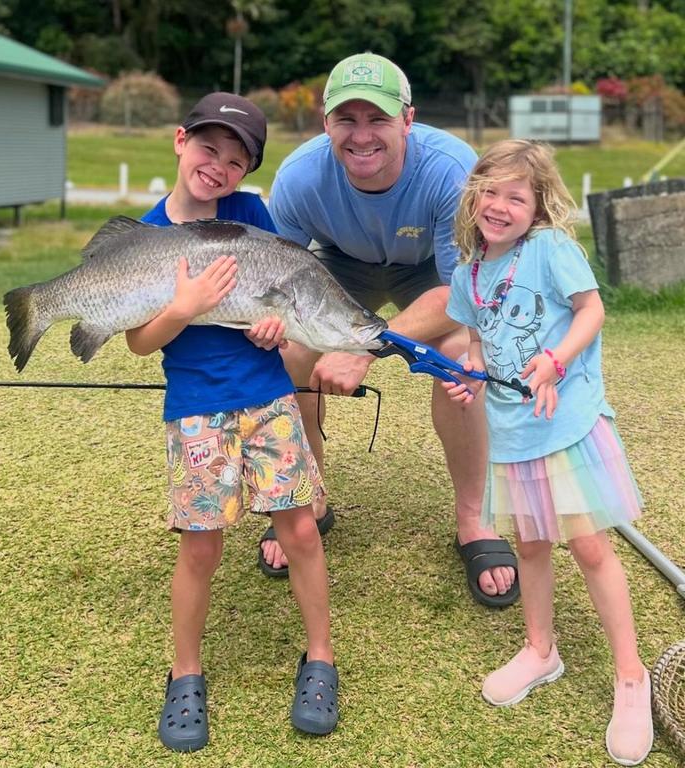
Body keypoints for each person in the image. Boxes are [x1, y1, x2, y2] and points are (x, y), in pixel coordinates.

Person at [265, 52, 519, 607]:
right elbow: (279, 281)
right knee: (288, 354)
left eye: (377, 119)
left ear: (408, 119)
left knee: (458, 359)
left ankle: (473, 520)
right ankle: (307, 497)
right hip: (339, 265)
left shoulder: (452, 170)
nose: (362, 136)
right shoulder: (299, 178)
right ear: (324, 122)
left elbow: (464, 294)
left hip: (430, 272)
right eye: (345, 120)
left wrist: (363, 348)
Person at [126, 93, 339, 752]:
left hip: (269, 397)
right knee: (201, 545)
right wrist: (183, 305)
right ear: (179, 140)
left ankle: (322, 658)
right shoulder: (146, 233)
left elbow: (277, 296)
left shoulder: (251, 214)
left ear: (247, 171)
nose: (216, 167)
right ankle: (185, 672)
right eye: (207, 149)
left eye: (235, 159)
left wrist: (274, 328)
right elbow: (138, 342)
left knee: (300, 527)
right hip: (195, 407)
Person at [443, 139, 653, 766]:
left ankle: (631, 676)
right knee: (531, 544)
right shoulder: (467, 270)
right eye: (492, 190)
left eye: (517, 195)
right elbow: (476, 337)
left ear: (537, 207)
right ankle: (541, 650)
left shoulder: (552, 250)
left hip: (566, 419)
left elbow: (593, 310)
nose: (501, 205)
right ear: (473, 194)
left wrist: (557, 361)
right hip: (512, 430)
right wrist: (471, 367)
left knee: (589, 545)